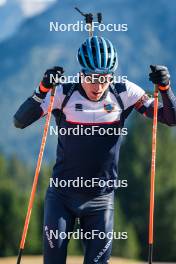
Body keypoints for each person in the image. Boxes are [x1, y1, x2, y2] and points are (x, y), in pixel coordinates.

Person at [14, 36, 176, 264]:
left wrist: (166, 89)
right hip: (62, 196)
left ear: (112, 75)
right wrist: (42, 89)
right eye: (91, 77)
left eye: (104, 78)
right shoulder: (64, 93)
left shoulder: (124, 93)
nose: (98, 85)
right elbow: (20, 121)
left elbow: (171, 117)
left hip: (100, 200)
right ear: (81, 74)